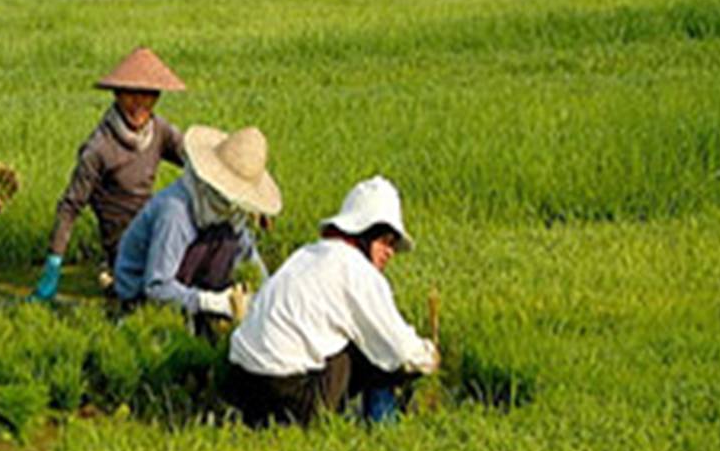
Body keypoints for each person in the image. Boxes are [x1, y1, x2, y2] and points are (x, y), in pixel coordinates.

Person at [225, 176, 440, 428]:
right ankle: (382, 427)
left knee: (366, 342)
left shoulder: (307, 254)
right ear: (363, 234)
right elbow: (400, 349)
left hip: (240, 384)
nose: (390, 252)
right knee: (380, 355)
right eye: (384, 241)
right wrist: (430, 356)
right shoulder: (356, 269)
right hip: (288, 395)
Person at [31, 46, 187, 302]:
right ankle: (122, 280)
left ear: (156, 97)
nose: (138, 104)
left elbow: (198, 162)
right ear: (116, 95)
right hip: (125, 242)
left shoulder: (159, 131)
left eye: (147, 95)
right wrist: (53, 265)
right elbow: (70, 207)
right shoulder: (100, 148)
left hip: (157, 228)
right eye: (130, 94)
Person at [111, 125, 280, 321]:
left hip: (191, 281)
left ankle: (202, 317)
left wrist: (267, 298)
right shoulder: (175, 212)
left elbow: (250, 259)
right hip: (141, 293)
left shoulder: (232, 212)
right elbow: (156, 287)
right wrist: (210, 302)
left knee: (228, 238)